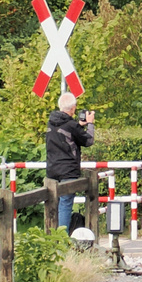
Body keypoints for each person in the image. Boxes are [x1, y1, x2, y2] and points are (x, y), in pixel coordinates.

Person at [46, 92, 95, 229]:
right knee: (65, 204)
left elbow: (67, 132)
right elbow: (88, 140)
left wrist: (79, 125)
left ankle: (51, 239)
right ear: (73, 108)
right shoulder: (71, 125)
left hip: (52, 170)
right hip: (68, 171)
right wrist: (90, 124)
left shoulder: (51, 123)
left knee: (52, 204)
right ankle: (63, 240)